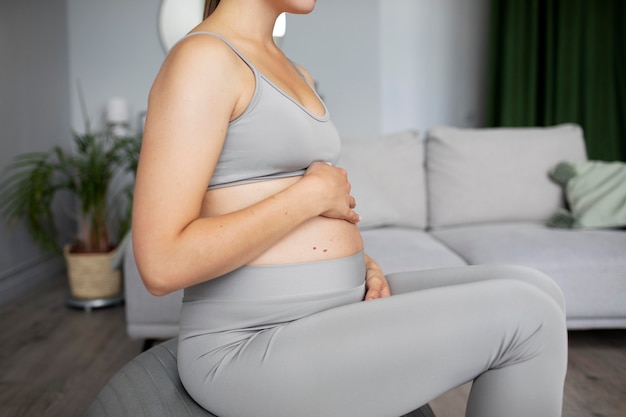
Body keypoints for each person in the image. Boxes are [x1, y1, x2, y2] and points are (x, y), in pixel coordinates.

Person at [132, 1, 568, 416]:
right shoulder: (202, 58)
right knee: (529, 315)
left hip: (325, 310)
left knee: (535, 286)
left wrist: (361, 264)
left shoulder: (292, 69)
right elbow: (161, 264)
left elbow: (295, 210)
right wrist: (309, 197)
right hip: (249, 344)